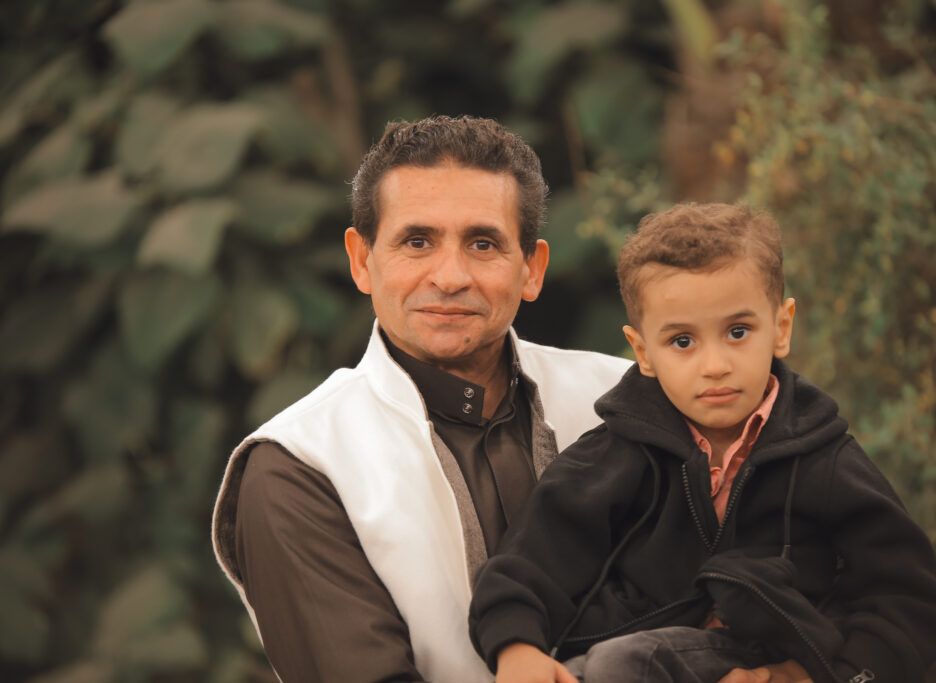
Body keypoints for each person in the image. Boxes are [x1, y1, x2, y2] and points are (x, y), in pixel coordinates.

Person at [211, 116, 631, 682]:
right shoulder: (298, 465)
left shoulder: (623, 401)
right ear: (361, 260)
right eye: (417, 242)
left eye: (482, 243)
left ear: (531, 269)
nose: (450, 276)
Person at [468, 203, 936, 683]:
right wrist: (518, 649)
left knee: (622, 665)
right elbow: (528, 565)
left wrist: (818, 675)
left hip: (768, 658)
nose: (715, 365)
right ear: (643, 352)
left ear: (781, 327)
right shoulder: (614, 454)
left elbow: (905, 597)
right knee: (601, 667)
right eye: (682, 342)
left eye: (738, 332)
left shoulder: (823, 457)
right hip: (631, 653)